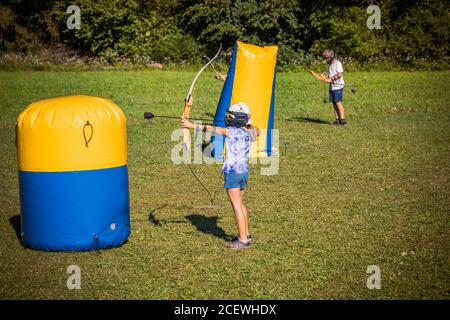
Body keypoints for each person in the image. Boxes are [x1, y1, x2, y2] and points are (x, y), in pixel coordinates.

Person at [181, 102, 260, 249]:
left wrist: (191, 125)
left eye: (231, 115)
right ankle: (246, 233)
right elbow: (257, 130)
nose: (228, 117)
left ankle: (243, 240)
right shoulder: (251, 131)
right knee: (241, 204)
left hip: (232, 174)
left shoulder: (231, 132)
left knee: (236, 206)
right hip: (243, 173)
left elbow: (211, 128)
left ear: (238, 118)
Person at [322, 49, 347, 125]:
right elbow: (331, 74)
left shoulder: (337, 63)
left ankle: (342, 120)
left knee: (338, 102)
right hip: (332, 86)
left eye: (327, 57)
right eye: (325, 58)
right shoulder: (330, 64)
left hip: (338, 86)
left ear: (331, 56)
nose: (326, 59)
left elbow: (340, 74)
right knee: (334, 103)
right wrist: (325, 76)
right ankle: (337, 119)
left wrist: (331, 79)